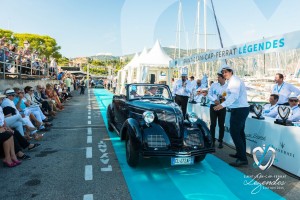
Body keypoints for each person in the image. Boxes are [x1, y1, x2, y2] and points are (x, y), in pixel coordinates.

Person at [214, 65, 249, 167]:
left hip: (240, 109)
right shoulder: (232, 81)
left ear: (231, 72)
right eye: (223, 72)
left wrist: (222, 105)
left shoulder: (234, 81)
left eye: (226, 72)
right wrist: (223, 100)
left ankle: (242, 159)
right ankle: (240, 153)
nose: (224, 74)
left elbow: (234, 96)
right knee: (240, 133)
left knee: (235, 133)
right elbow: (230, 95)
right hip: (239, 109)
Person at [208, 72, 228, 148]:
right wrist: (214, 100)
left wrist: (224, 99)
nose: (217, 78)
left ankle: (220, 141)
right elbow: (209, 94)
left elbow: (228, 97)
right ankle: (212, 141)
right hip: (213, 106)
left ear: (223, 78)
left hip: (222, 107)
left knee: (221, 125)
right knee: (213, 124)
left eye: (219, 77)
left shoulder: (227, 87)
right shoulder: (213, 85)